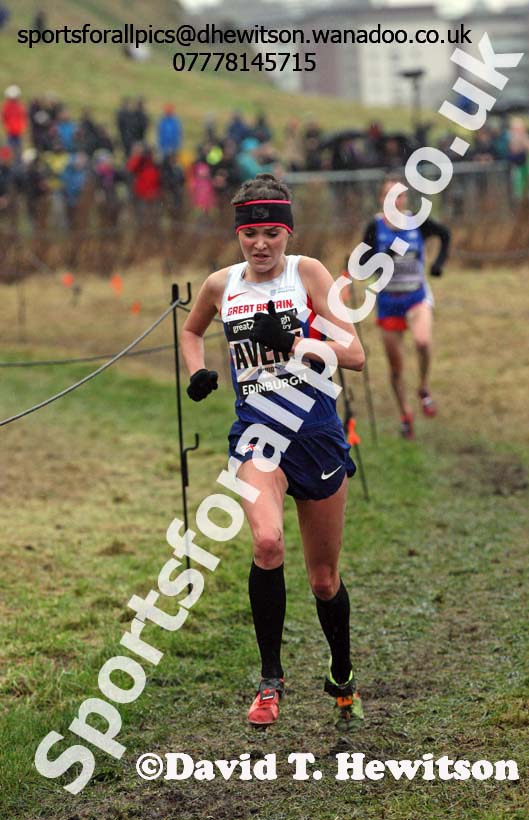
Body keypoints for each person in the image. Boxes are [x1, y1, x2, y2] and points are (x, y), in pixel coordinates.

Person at [181, 173, 366, 731]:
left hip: (316, 435)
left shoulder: (307, 273)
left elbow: (354, 354)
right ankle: (270, 681)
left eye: (271, 234)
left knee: (323, 579)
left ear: (288, 232)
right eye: (250, 234)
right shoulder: (221, 285)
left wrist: (294, 342)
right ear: (237, 233)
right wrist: (198, 372)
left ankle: (341, 673)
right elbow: (191, 331)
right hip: (258, 435)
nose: (260, 245)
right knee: (266, 542)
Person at [360, 174, 450, 439]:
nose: (395, 201)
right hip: (388, 301)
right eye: (389, 196)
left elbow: (445, 234)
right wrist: (384, 257)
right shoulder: (375, 227)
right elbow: (363, 264)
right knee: (396, 368)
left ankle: (423, 388)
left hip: (416, 296)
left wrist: (438, 264)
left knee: (422, 342)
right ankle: (405, 415)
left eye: (399, 196)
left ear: (405, 199)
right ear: (381, 199)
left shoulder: (417, 221)